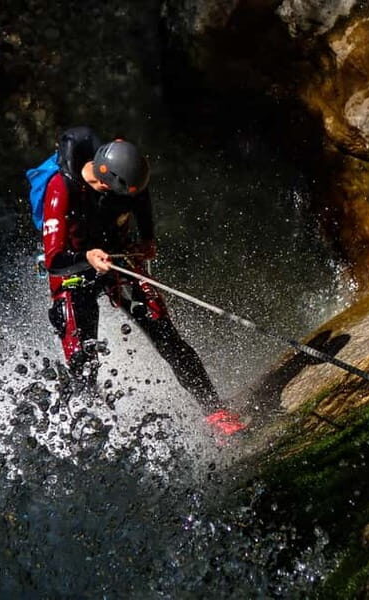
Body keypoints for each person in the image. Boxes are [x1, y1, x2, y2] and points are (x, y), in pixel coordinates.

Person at [40, 126, 245, 435]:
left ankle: (216, 412)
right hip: (74, 268)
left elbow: (142, 199)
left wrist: (148, 239)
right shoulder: (60, 189)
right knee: (82, 355)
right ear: (106, 183)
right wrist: (87, 258)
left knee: (164, 331)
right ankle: (87, 432)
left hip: (117, 257)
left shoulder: (126, 180)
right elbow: (53, 261)